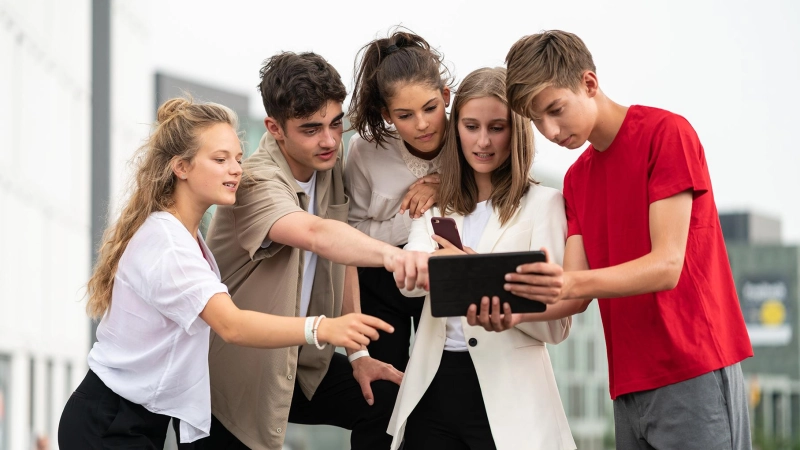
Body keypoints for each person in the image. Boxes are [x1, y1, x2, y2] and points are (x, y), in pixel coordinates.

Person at [57, 98, 394, 449]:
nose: (235, 170)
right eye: (220, 160)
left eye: (237, 158)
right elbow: (231, 325)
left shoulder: (185, 236)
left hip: (139, 419)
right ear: (181, 167)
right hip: (108, 422)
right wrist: (320, 328)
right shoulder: (169, 244)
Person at [503, 30, 754, 449]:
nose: (549, 130)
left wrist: (568, 282)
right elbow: (574, 296)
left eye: (555, 110)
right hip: (627, 389)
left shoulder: (665, 134)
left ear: (589, 83)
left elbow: (666, 266)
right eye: (536, 120)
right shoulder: (576, 179)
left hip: (693, 370)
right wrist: (510, 313)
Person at [192, 52, 430, 450]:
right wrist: (397, 257)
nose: (330, 140)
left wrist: (359, 355)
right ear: (275, 128)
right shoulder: (256, 181)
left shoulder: (329, 162)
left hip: (300, 365)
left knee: (385, 400)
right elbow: (317, 234)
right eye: (311, 129)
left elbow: (343, 251)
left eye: (336, 123)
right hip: (233, 379)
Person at [387, 67, 577, 450]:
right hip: (433, 390)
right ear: (456, 128)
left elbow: (557, 327)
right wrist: (422, 269)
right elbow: (410, 286)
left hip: (510, 399)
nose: (483, 141)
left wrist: (477, 277)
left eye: (497, 127)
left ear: (516, 131)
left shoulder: (545, 205)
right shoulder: (435, 205)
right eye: (471, 126)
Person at [345, 28, 452, 373]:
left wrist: (448, 187)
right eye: (405, 115)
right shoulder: (364, 151)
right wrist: (417, 215)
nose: (422, 124)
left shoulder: (470, 138)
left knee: (441, 381)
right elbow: (351, 233)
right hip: (378, 279)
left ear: (446, 96)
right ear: (387, 115)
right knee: (384, 387)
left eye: (430, 108)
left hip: (442, 277)